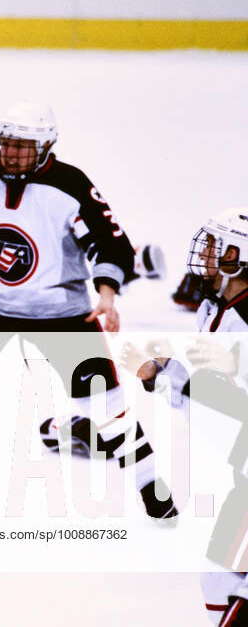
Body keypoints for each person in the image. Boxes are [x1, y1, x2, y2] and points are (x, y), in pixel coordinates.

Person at [0, 101, 176, 520]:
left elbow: (105, 238)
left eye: (23, 146)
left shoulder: (70, 186)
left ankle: (156, 497)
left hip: (62, 313)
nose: (12, 153)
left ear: (46, 146)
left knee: (107, 408)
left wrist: (107, 294)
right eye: (7, 143)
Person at [121, 208, 248, 625]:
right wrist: (167, 373)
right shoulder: (214, 308)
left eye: (215, 245)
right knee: (216, 580)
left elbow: (222, 404)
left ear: (238, 255)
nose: (205, 253)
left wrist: (167, 378)